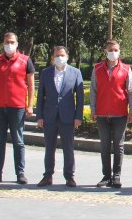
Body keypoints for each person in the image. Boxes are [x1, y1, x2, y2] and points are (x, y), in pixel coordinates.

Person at [0, 32, 35, 185]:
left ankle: (20, 173)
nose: (9, 44)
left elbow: (31, 85)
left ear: (17, 44)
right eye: (7, 41)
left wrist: (30, 105)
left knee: (18, 141)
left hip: (17, 106)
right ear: (3, 43)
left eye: (12, 41)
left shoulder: (25, 61)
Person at [89, 40, 132, 189]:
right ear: (105, 51)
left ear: (119, 51)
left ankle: (116, 175)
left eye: (116, 50)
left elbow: (131, 91)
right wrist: (93, 109)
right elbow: (93, 90)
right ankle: (106, 176)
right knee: (104, 145)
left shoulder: (126, 69)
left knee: (118, 145)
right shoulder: (97, 69)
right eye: (110, 49)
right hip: (102, 113)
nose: (113, 52)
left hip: (120, 113)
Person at [35, 46, 84, 188]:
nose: (59, 58)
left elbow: (80, 98)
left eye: (62, 55)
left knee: (68, 148)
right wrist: (39, 116)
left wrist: (78, 116)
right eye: (56, 55)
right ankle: (48, 175)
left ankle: (69, 176)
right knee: (49, 148)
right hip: (49, 116)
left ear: (67, 57)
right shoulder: (45, 73)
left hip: (68, 117)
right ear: (52, 57)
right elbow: (40, 96)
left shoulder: (75, 73)